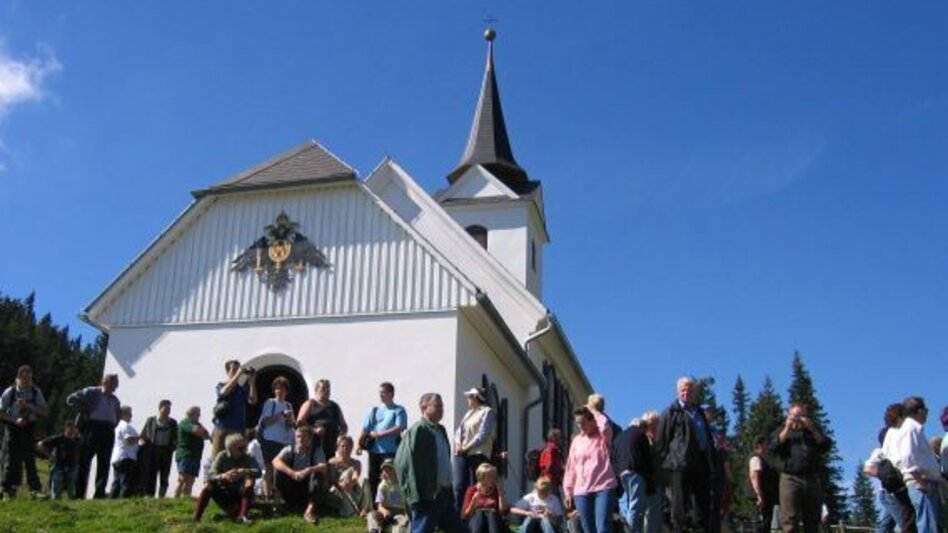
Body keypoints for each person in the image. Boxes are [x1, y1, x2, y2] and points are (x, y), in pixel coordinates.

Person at [395, 392, 467, 533]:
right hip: (427, 495)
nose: (441, 409)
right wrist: (417, 490)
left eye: (442, 406)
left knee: (460, 530)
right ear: (424, 408)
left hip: (444, 493)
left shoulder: (441, 430)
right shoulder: (417, 430)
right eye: (437, 406)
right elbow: (402, 463)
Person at [654, 377, 715, 533]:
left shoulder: (699, 412)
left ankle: (700, 528)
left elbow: (707, 438)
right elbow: (661, 440)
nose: (686, 392)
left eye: (689, 389)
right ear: (678, 391)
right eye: (682, 389)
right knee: (680, 504)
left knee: (702, 502)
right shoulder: (670, 412)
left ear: (694, 392)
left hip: (700, 463)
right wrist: (661, 465)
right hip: (679, 464)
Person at [882, 397, 942, 533]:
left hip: (922, 481)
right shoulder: (911, 427)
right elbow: (907, 456)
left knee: (930, 525)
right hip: (922, 481)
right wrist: (920, 481)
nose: (927, 413)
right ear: (919, 411)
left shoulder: (908, 428)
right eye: (926, 410)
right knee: (928, 526)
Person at [769, 403, 830, 533]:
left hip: (812, 479)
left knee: (813, 519)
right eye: (795, 416)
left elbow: (825, 445)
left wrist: (812, 429)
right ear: (789, 415)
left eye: (802, 416)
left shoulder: (813, 431)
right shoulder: (782, 430)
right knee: (790, 519)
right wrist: (787, 427)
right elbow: (773, 447)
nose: (798, 419)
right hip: (790, 479)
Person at [564, 404, 617, 533]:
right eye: (578, 423)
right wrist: (568, 490)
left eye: (583, 423)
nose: (580, 426)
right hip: (581, 491)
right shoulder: (577, 441)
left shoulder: (603, 436)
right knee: (588, 529)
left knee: (603, 528)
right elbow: (571, 467)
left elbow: (605, 425)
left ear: (592, 421)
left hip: (603, 487)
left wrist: (593, 410)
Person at [67, 373, 121, 498]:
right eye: (114, 383)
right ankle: (79, 493)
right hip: (92, 428)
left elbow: (117, 415)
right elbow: (71, 399)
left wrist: (114, 424)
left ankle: (99, 493)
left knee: (104, 463)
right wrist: (84, 410)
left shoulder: (115, 400)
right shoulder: (92, 392)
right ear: (106, 382)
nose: (116, 387)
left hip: (108, 430)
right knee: (84, 461)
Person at [0, 365, 49, 499]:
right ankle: (8, 490)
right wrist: (15, 420)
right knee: (11, 459)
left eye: (30, 378)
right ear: (18, 378)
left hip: (29, 427)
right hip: (13, 427)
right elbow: (1, 412)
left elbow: (45, 412)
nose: (28, 381)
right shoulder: (9, 392)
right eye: (25, 378)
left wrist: (29, 406)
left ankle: (35, 490)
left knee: (29, 459)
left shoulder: (35, 392)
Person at [194, 433, 261, 524]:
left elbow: (258, 472)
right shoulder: (222, 456)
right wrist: (223, 476)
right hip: (225, 492)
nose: (244, 449)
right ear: (231, 448)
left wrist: (243, 471)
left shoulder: (248, 457)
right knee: (208, 484)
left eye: (244, 446)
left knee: (249, 480)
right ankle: (196, 517)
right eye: (240, 448)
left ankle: (242, 516)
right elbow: (210, 474)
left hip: (241, 492)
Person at [357, 381, 408, 498]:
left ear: (391, 394)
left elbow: (400, 427)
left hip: (390, 451)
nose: (380, 395)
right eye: (379, 393)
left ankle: (391, 506)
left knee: (390, 479)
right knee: (373, 478)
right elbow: (365, 428)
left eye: (383, 393)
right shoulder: (374, 410)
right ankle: (375, 508)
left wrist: (380, 434)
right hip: (374, 450)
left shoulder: (398, 410)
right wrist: (358, 445)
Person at [272, 425, 328, 524]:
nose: (300, 439)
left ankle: (308, 512)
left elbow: (323, 467)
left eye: (303, 437)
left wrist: (309, 469)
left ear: (310, 438)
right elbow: (275, 461)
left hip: (307, 490)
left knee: (318, 475)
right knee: (278, 472)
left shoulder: (317, 450)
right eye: (298, 436)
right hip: (291, 486)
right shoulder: (290, 449)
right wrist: (292, 473)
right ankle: (277, 508)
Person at [865, 426, 917, 533]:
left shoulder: (897, 451)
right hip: (888, 492)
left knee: (887, 524)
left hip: (896, 491)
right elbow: (868, 468)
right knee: (905, 521)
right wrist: (885, 475)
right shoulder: (880, 452)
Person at [454, 387, 497, 512]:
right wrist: (457, 444)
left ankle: (474, 516)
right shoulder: (468, 413)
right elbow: (459, 431)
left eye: (470, 396)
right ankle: (459, 516)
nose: (468, 399)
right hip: (462, 454)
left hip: (478, 454)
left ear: (476, 397)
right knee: (459, 485)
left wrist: (467, 447)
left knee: (476, 485)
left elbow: (483, 434)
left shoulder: (488, 412)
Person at [613, 416, 654, 533]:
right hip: (635, 471)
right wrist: (650, 475)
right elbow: (647, 457)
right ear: (641, 427)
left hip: (621, 473)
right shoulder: (640, 435)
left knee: (626, 505)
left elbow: (613, 457)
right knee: (635, 505)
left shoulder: (618, 437)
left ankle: (626, 528)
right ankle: (630, 531)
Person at [256, 376, 295, 501]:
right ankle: (267, 497)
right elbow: (266, 422)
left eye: (282, 389)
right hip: (269, 440)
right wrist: (281, 415)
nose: (279, 391)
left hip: (284, 442)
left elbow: (290, 425)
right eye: (277, 388)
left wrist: (289, 420)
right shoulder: (270, 403)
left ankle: (277, 498)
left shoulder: (289, 405)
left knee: (279, 470)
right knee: (268, 469)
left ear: (286, 391)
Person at [212, 360, 258, 458]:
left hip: (238, 430)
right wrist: (239, 373)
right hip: (223, 429)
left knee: (238, 459)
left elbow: (252, 401)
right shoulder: (221, 385)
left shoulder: (241, 389)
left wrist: (252, 383)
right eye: (234, 369)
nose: (237, 371)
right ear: (227, 372)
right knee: (218, 458)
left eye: (238, 369)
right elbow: (224, 392)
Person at [297, 379, 348, 460]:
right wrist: (314, 430)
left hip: (331, 445)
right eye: (323, 388)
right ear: (316, 390)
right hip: (314, 444)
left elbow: (344, 425)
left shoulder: (334, 406)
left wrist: (341, 436)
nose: (326, 391)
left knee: (328, 469)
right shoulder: (310, 404)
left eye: (328, 388)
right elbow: (299, 423)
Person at [139, 399, 178, 498]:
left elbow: (176, 438)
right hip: (152, 451)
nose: (168, 411)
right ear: (160, 408)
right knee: (151, 474)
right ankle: (149, 495)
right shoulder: (151, 420)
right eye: (166, 408)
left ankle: (162, 496)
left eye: (169, 409)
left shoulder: (173, 423)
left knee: (164, 474)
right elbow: (143, 436)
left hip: (166, 452)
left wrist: (172, 448)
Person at [38, 420, 82, 499]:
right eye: (70, 427)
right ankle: (56, 505)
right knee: (56, 490)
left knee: (72, 491)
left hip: (73, 467)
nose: (72, 429)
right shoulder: (59, 438)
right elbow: (41, 444)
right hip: (59, 467)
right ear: (66, 428)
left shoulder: (78, 440)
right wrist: (50, 456)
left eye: (74, 427)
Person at [461, 462, 509, 533]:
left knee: (492, 514)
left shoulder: (497, 490)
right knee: (480, 513)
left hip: (494, 523)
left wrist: (500, 494)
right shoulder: (472, 490)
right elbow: (464, 515)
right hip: (477, 523)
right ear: (481, 478)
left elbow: (504, 512)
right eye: (490, 476)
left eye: (494, 476)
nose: (493, 479)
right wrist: (473, 502)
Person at [329, 434, 371, 517]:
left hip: (351, 489)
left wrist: (350, 483)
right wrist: (341, 485)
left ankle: (364, 509)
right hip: (337, 492)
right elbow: (331, 480)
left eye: (348, 446)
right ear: (338, 448)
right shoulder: (332, 462)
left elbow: (356, 476)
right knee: (346, 474)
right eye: (342, 446)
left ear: (351, 447)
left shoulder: (356, 463)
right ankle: (350, 511)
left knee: (365, 481)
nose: (345, 448)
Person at [174, 405, 209, 498]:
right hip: (186, 454)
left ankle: (185, 500)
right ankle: (175, 499)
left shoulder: (198, 424)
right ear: (193, 413)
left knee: (191, 480)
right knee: (182, 478)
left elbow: (206, 435)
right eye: (198, 413)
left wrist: (202, 432)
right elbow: (197, 431)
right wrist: (201, 431)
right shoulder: (185, 422)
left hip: (195, 456)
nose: (199, 416)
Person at [368, 458, 411, 533]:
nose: (387, 472)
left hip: (400, 513)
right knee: (372, 515)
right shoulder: (382, 485)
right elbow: (379, 505)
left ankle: (397, 529)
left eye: (390, 469)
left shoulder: (404, 485)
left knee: (402, 523)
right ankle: (375, 530)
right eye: (385, 469)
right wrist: (384, 511)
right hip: (385, 514)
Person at [749, 435, 780, 533]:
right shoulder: (756, 459)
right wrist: (759, 495)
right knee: (761, 525)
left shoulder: (764, 459)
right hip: (761, 498)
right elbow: (754, 476)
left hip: (767, 497)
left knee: (766, 523)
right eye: (766, 444)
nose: (768, 446)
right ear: (759, 445)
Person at [640, 411, 664, 533]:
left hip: (659, 482)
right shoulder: (642, 439)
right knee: (648, 516)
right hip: (646, 482)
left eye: (655, 424)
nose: (653, 427)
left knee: (656, 516)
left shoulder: (660, 441)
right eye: (650, 424)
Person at [110, 405, 139, 498]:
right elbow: (129, 440)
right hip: (126, 457)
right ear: (123, 414)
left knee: (116, 481)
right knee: (125, 482)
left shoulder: (117, 426)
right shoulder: (126, 426)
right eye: (129, 413)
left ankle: (112, 499)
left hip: (117, 457)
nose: (131, 416)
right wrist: (140, 437)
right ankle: (123, 499)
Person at [539, 429, 565, 493]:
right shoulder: (552, 450)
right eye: (559, 438)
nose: (561, 440)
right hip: (551, 482)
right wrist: (561, 471)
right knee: (554, 501)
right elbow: (549, 466)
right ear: (554, 438)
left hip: (547, 481)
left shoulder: (546, 448)